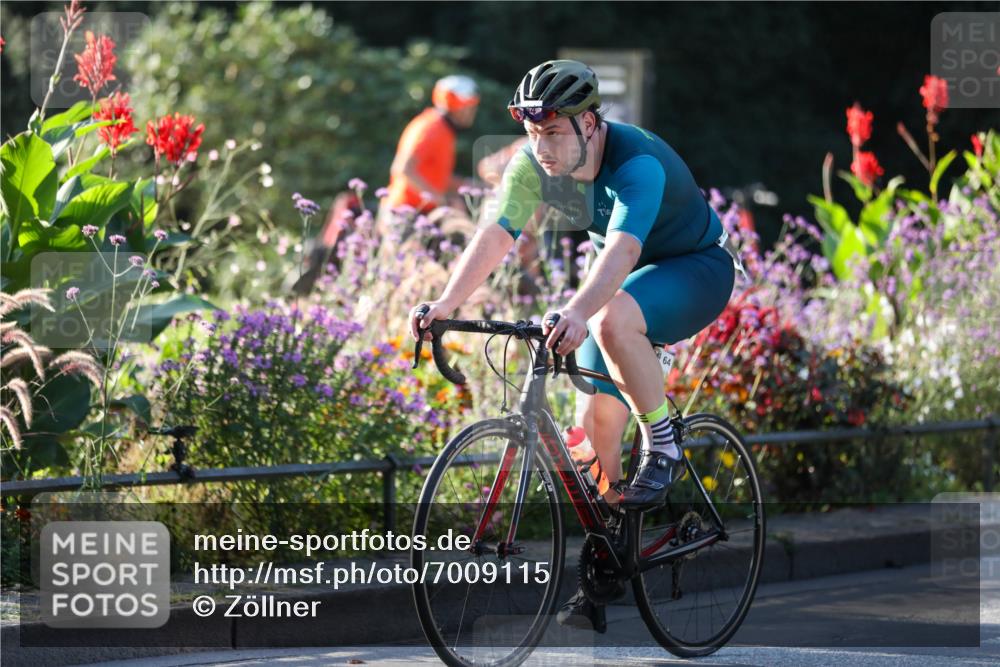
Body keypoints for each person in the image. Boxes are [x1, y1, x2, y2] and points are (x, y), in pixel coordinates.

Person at [407, 59, 743, 632]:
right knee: (593, 422)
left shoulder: (636, 161)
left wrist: (580, 310)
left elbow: (622, 252)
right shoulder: (532, 162)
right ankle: (611, 558)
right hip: (627, 281)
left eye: (556, 131)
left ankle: (662, 443)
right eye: (535, 132)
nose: (543, 146)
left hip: (693, 267)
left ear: (590, 123)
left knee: (612, 322)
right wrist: (444, 305)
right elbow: (495, 234)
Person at [382, 74, 479, 219]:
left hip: (419, 213)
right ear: (460, 106)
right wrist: (442, 201)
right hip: (405, 213)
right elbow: (403, 168)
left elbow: (435, 177)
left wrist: (470, 185)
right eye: (471, 107)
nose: (473, 112)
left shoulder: (443, 129)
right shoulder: (431, 128)